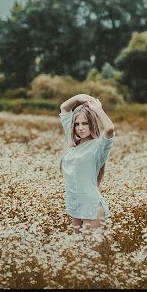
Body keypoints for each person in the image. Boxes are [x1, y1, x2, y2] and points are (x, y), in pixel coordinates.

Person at [59, 93, 115, 233]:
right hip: (74, 206)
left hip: (92, 207)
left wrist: (97, 109)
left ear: (92, 124)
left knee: (93, 253)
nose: (80, 128)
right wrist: (79, 98)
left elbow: (109, 129)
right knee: (79, 253)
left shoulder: (98, 146)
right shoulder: (72, 142)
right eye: (77, 124)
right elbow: (64, 108)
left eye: (85, 123)